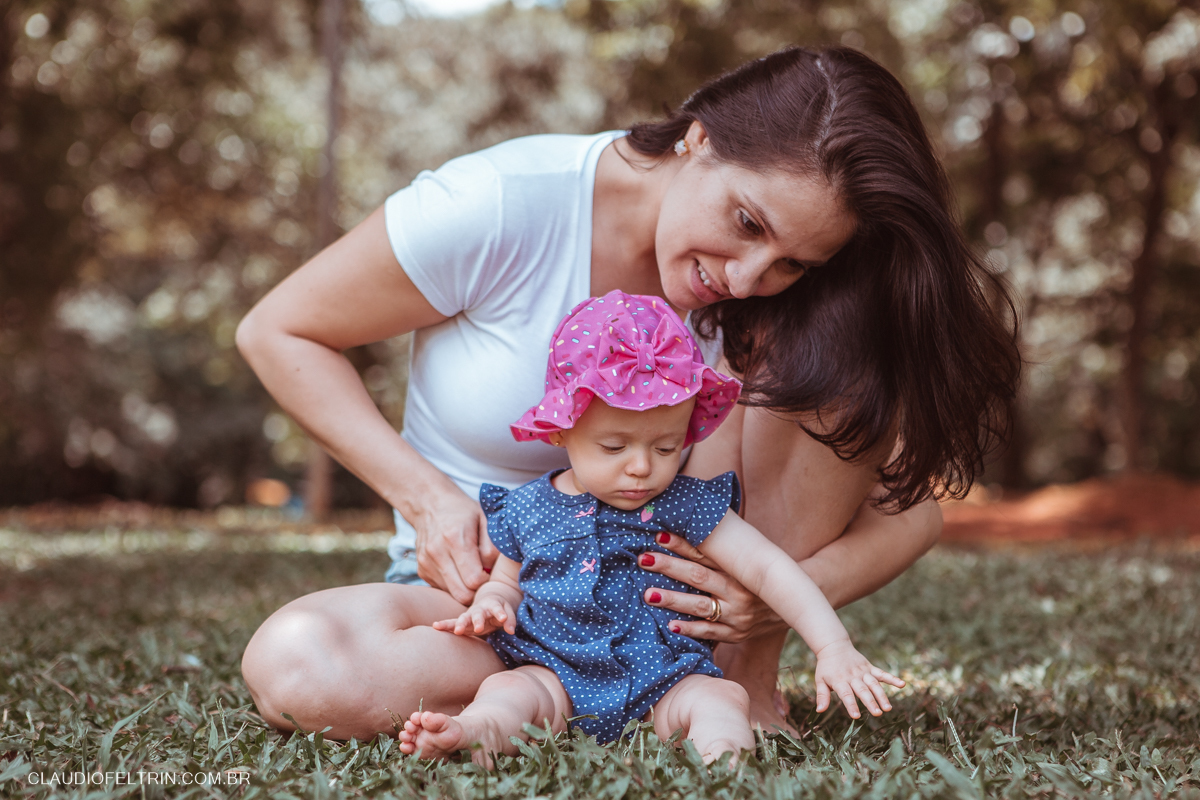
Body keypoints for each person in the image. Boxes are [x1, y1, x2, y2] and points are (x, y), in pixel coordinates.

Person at [236, 45, 1020, 741]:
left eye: (793, 263)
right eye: (747, 221)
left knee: (839, 342)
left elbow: (912, 516)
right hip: (493, 612)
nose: (747, 280)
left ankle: (730, 686)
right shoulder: (503, 202)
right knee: (299, 666)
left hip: (685, 630)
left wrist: (776, 601)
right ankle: (557, 695)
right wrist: (428, 501)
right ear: (699, 137)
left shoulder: (793, 307)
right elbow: (278, 331)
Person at [397, 291, 906, 766]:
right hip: (554, 675)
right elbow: (506, 581)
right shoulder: (528, 507)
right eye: (614, 448)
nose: (642, 467)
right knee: (507, 694)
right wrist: (493, 604)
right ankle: (477, 731)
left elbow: (769, 568)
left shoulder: (685, 504)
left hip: (665, 680)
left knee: (720, 698)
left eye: (665, 447)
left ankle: (723, 760)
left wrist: (832, 646)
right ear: (562, 431)